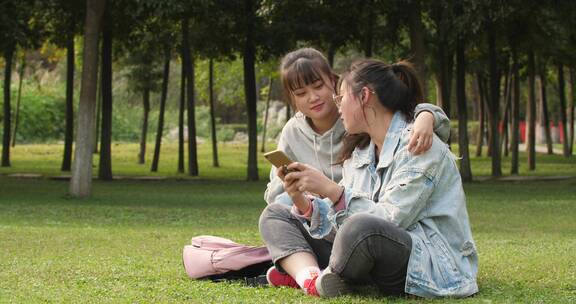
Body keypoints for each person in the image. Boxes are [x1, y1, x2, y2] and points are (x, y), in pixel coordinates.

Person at [259, 59, 478, 298]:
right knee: (277, 213)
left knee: (360, 228)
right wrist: (302, 201)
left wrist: (333, 192)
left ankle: (322, 275)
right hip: (367, 256)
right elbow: (339, 223)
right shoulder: (360, 153)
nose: (338, 107)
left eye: (340, 98)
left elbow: (390, 221)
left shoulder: (419, 146)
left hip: (426, 262)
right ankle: (312, 280)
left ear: (364, 96)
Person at [264, 48, 450, 209]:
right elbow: (276, 193)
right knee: (278, 211)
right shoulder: (293, 131)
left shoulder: (357, 120)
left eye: (318, 86)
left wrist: (427, 114)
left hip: (356, 207)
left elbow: (395, 99)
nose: (313, 97)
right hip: (322, 211)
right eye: (301, 93)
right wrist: (301, 194)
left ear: (333, 80)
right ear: (291, 98)